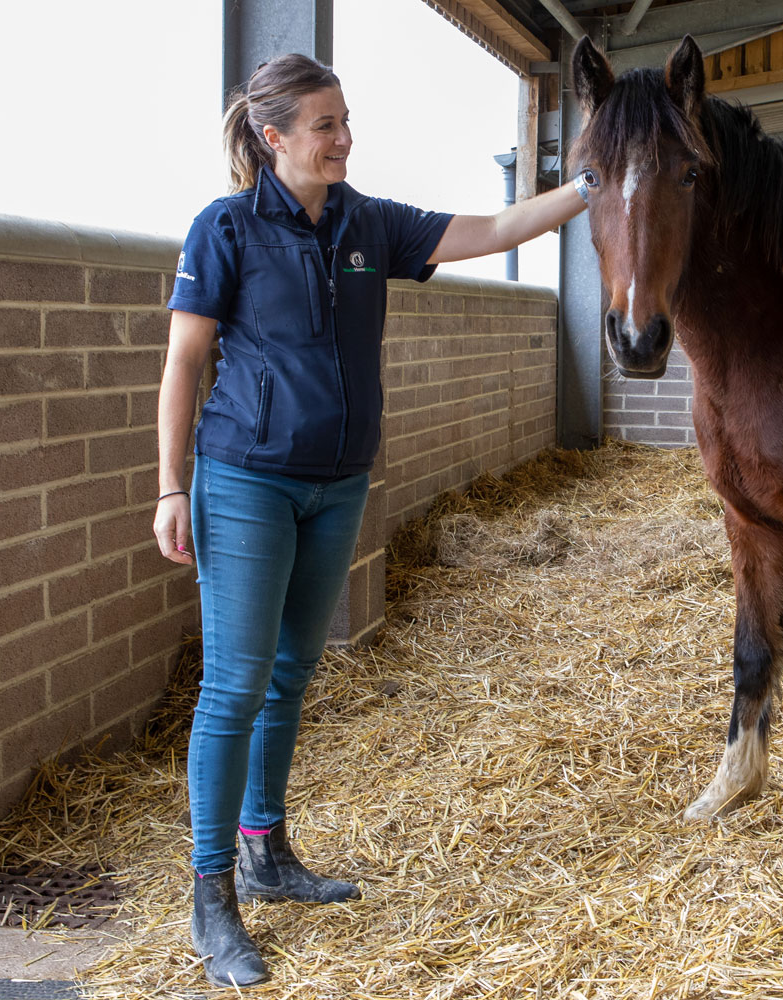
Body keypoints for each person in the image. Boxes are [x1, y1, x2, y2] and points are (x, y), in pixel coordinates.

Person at [154, 53, 586, 988]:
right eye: (324, 125)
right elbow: (184, 365)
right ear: (275, 139)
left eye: (346, 120)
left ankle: (267, 852)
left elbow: (501, 224)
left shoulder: (367, 224)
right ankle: (211, 894)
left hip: (337, 484)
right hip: (244, 481)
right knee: (233, 684)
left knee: (292, 672)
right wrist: (170, 486)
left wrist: (590, 186)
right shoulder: (225, 228)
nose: (344, 138)